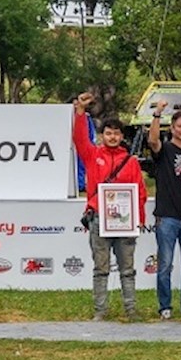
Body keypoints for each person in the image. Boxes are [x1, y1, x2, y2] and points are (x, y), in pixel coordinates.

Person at [72, 92, 148, 321]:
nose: (112, 137)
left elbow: (140, 192)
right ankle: (100, 311)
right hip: (98, 219)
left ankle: (131, 310)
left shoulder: (131, 162)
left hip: (125, 223)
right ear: (102, 135)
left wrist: (139, 219)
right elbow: (79, 139)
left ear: (122, 136)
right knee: (101, 268)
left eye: (116, 133)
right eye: (108, 133)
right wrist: (80, 112)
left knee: (128, 269)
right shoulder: (93, 155)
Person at [146, 101, 181, 319]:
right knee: (165, 265)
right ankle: (165, 306)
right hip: (167, 216)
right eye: (180, 126)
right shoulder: (165, 149)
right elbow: (153, 140)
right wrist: (157, 114)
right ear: (172, 128)